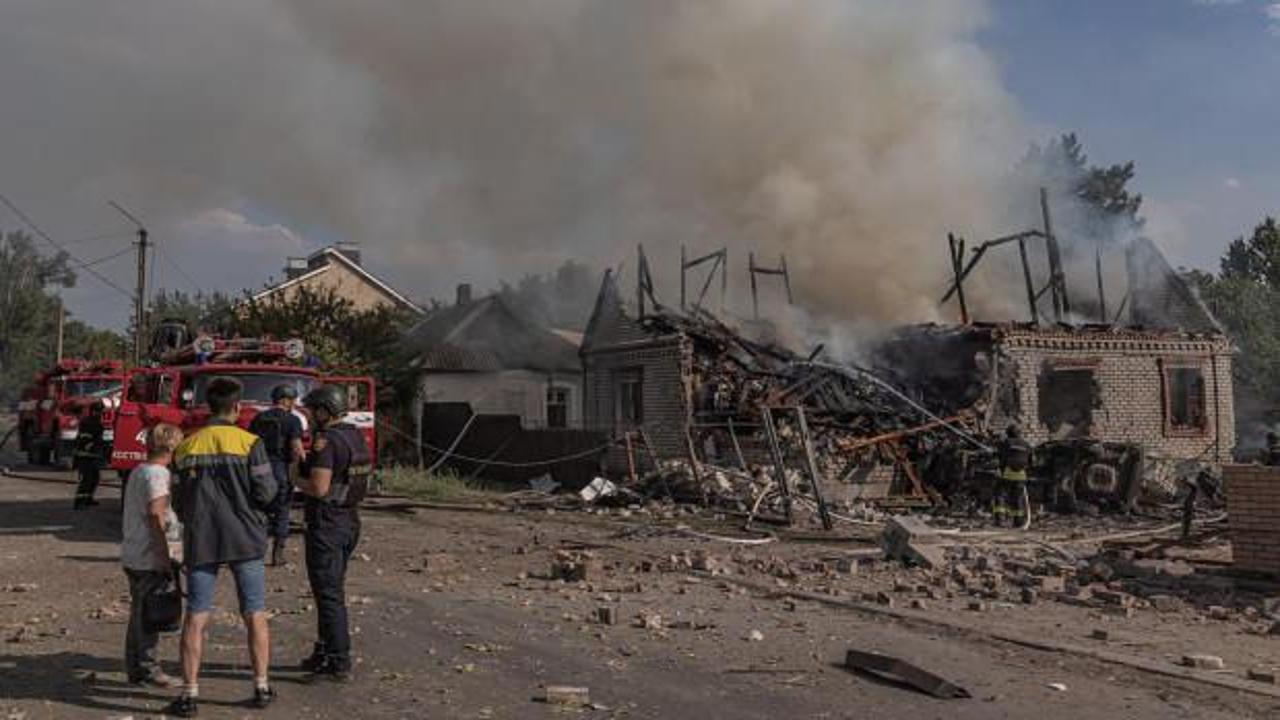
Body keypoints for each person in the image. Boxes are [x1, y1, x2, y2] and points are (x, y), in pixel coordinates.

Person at [166, 377, 278, 717]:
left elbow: (178, 498)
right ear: (237, 407)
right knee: (254, 612)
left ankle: (189, 694)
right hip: (245, 538)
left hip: (203, 539)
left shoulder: (186, 446)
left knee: (196, 616)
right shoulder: (250, 443)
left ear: (207, 406)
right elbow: (266, 492)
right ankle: (260, 686)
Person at [295, 384, 371, 681]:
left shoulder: (327, 441)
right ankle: (324, 650)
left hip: (327, 524)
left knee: (328, 594)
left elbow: (319, 487)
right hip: (349, 520)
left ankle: (338, 660)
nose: (310, 416)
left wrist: (294, 478)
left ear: (325, 411)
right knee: (331, 589)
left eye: (313, 411)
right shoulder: (354, 436)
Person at [120, 423, 184, 688]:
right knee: (149, 615)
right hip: (149, 556)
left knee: (139, 613)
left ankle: (135, 667)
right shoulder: (158, 475)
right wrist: (163, 556)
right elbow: (156, 515)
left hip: (134, 553)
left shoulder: (139, 470)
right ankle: (148, 668)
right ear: (171, 447)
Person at [248, 384, 305, 566]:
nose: (294, 404)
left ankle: (255, 552)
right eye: (292, 401)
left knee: (258, 510)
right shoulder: (293, 420)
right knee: (282, 510)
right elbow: (296, 447)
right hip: (280, 469)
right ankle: (277, 554)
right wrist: (304, 464)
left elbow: (250, 443)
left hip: (259, 469)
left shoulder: (258, 418)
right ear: (285, 400)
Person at [993, 424, 1032, 530]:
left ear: (1008, 433)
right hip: (1021, 476)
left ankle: (1000, 520)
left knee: (1000, 495)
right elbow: (1031, 461)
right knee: (1018, 498)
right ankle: (1018, 522)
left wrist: (999, 468)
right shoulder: (1027, 444)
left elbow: (1000, 456)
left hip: (1008, 474)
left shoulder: (1006, 443)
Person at [72, 401, 107, 509]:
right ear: (93, 411)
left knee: (95, 478)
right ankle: (79, 502)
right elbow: (85, 438)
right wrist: (91, 445)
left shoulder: (96, 422)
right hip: (84, 455)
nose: (100, 413)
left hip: (92, 455)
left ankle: (88, 499)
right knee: (87, 479)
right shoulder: (88, 422)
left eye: (100, 411)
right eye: (98, 411)